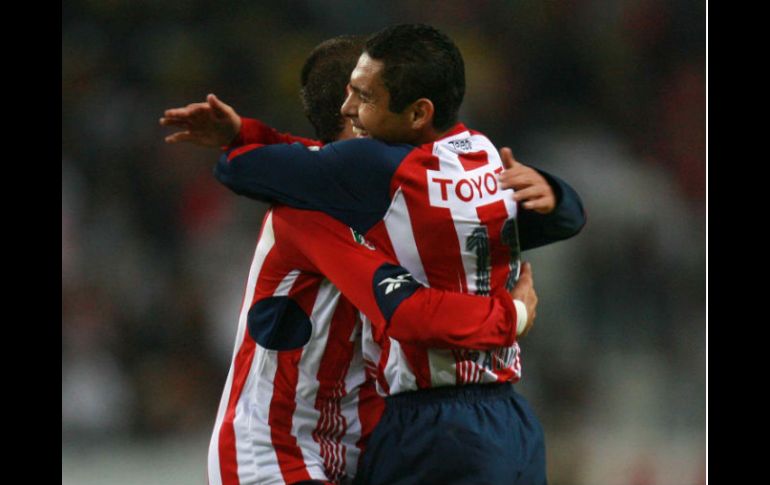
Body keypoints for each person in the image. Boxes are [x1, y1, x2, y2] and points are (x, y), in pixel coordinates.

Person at [206, 24, 586, 485]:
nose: (357, 110)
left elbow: (519, 224)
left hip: (366, 441)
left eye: (365, 97)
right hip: (278, 448)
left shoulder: (405, 193)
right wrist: (514, 315)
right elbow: (410, 313)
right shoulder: (316, 211)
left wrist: (553, 194)